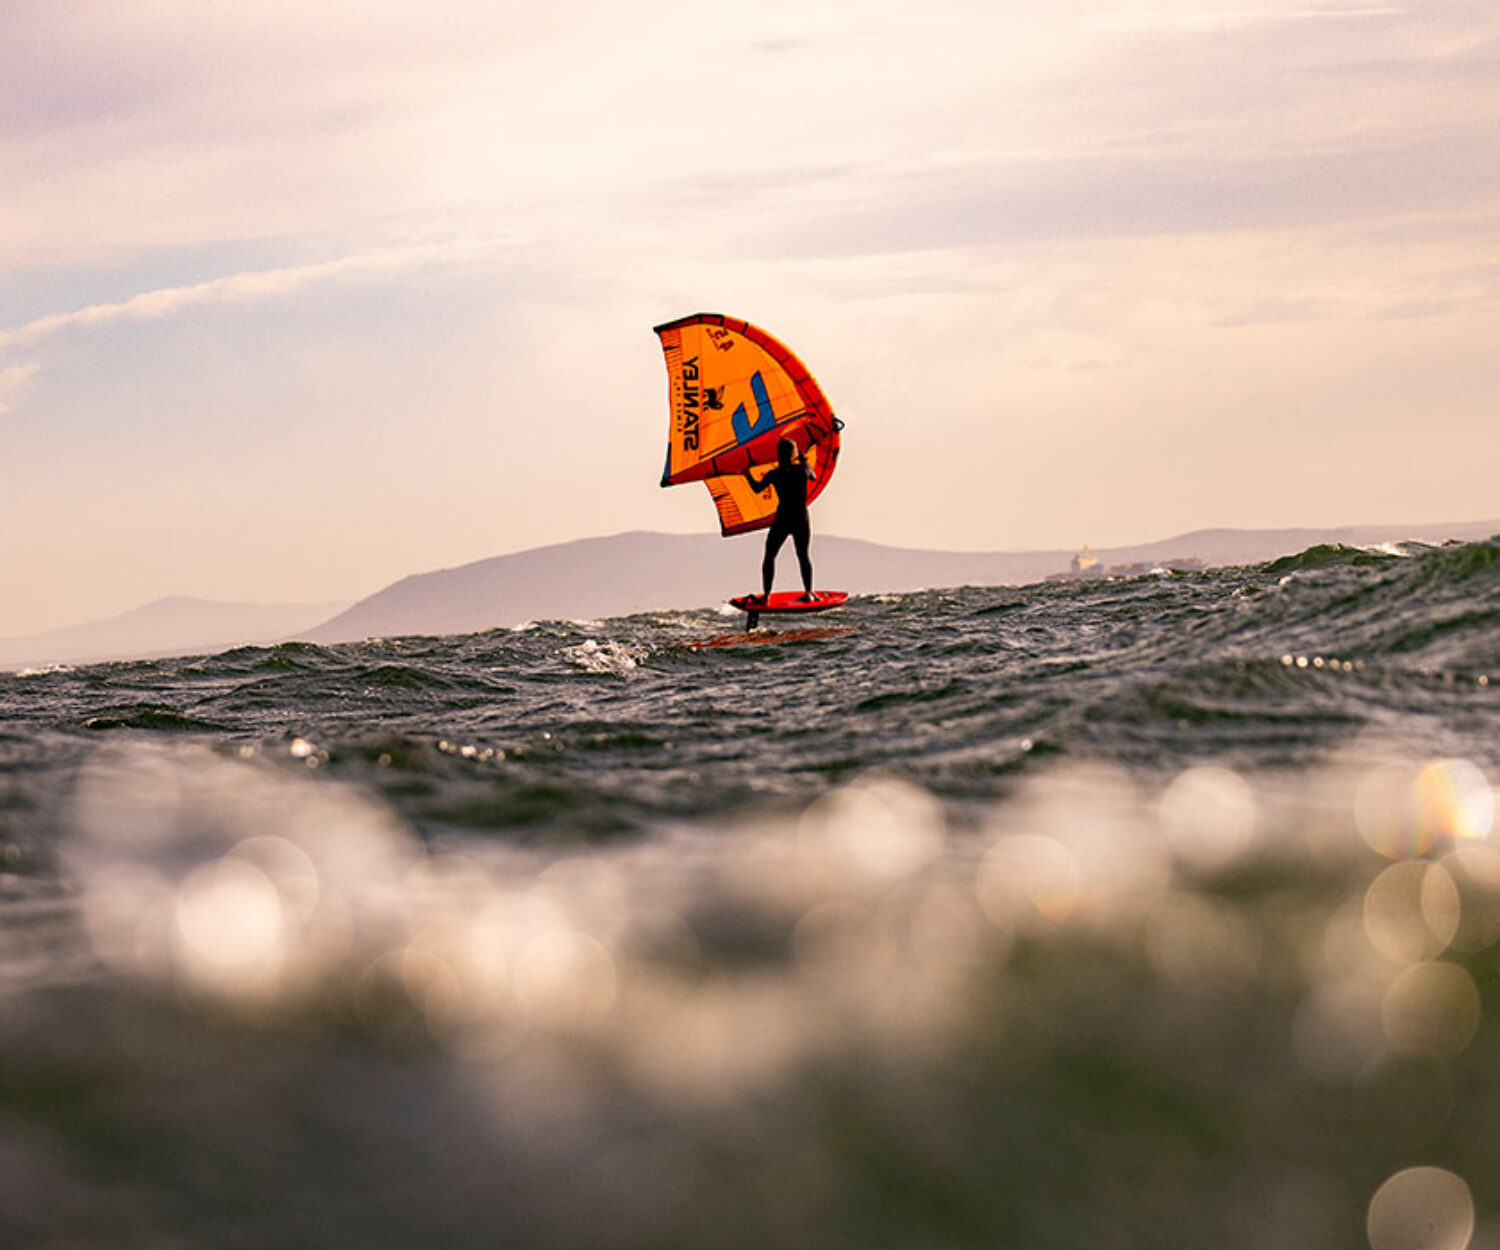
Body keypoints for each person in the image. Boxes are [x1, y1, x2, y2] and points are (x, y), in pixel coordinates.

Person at [744, 437, 818, 602]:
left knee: (770, 555)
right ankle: (808, 592)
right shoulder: (800, 470)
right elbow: (813, 476)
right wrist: (804, 460)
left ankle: (766, 595)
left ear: (778, 454)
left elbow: (757, 488)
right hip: (800, 518)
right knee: (803, 555)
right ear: (794, 454)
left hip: (783, 518)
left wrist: (746, 474)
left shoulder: (774, 474)